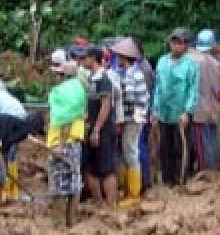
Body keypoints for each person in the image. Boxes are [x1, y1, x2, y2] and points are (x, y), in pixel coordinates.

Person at [153, 28, 199, 187]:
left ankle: (181, 177)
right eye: (174, 42)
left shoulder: (190, 65)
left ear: (185, 46)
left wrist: (187, 111)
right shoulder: (162, 61)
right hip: (164, 112)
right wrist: (155, 109)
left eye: (181, 43)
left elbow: (193, 90)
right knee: (164, 146)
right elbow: (157, 87)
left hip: (180, 112)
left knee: (180, 146)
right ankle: (167, 179)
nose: (177, 46)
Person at [46, 50, 86, 226]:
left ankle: (58, 223)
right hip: (75, 142)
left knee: (59, 186)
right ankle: (71, 222)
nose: (55, 77)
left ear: (63, 76)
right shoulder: (79, 89)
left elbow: (64, 120)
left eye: (57, 74)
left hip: (61, 144)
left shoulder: (63, 92)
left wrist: (59, 146)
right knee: (74, 184)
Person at [79, 46, 121, 207]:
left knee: (107, 168)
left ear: (93, 58)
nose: (83, 61)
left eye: (85, 57)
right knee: (90, 167)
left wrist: (96, 129)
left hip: (103, 130)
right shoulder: (91, 79)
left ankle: (111, 205)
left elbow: (106, 106)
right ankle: (99, 203)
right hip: (93, 127)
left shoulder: (104, 80)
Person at [111, 38, 149, 207]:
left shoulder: (134, 74)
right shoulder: (127, 71)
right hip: (133, 116)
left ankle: (134, 193)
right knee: (126, 151)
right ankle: (127, 189)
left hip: (134, 117)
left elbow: (131, 98)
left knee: (130, 152)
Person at [188, 29, 220, 174]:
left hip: (198, 109)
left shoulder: (192, 61)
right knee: (211, 139)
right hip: (212, 107)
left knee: (201, 142)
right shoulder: (216, 64)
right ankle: (213, 167)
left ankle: (206, 170)